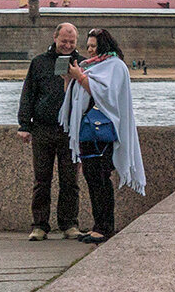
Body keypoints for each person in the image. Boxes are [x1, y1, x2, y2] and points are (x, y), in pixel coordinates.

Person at [59, 28, 145, 244]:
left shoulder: (115, 66)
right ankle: (100, 224)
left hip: (103, 133)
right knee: (92, 179)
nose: (89, 50)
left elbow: (107, 95)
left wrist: (80, 77)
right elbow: (77, 97)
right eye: (87, 46)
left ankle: (104, 227)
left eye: (93, 46)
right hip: (87, 133)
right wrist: (69, 79)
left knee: (100, 179)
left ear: (104, 45)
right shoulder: (91, 66)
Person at [17, 22, 83, 241]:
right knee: (41, 180)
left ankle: (69, 224)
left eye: (71, 42)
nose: (67, 45)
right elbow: (28, 94)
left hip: (70, 131)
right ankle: (39, 225)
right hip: (43, 129)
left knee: (70, 181)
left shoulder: (82, 63)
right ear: (55, 38)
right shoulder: (39, 63)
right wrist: (24, 125)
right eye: (64, 41)